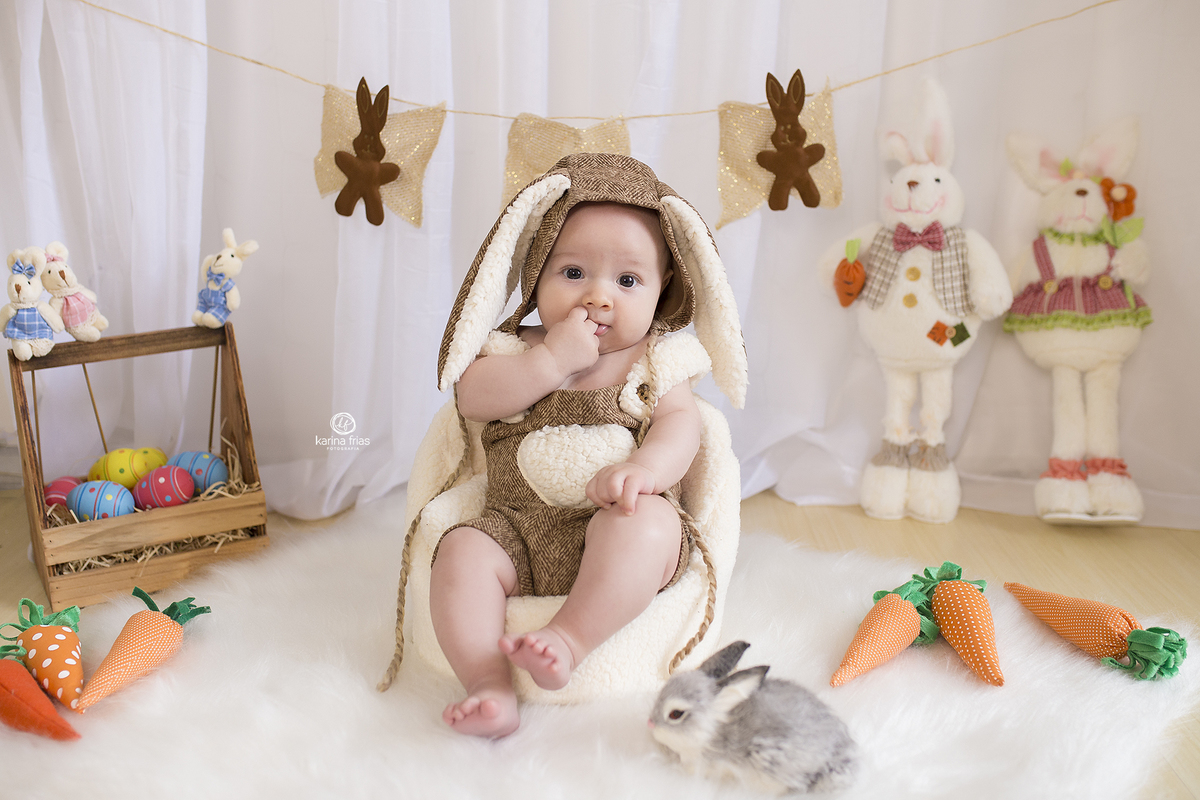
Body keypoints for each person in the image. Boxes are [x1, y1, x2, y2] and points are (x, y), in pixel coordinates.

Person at [430, 197, 704, 738]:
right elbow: (472, 398)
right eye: (573, 272)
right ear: (536, 277)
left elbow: (682, 426)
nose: (598, 296)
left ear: (662, 286)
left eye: (628, 281)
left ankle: (568, 639)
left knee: (649, 524)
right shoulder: (517, 346)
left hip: (616, 519)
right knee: (460, 551)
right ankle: (488, 684)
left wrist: (646, 471)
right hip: (517, 531)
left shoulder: (656, 357)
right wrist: (551, 361)